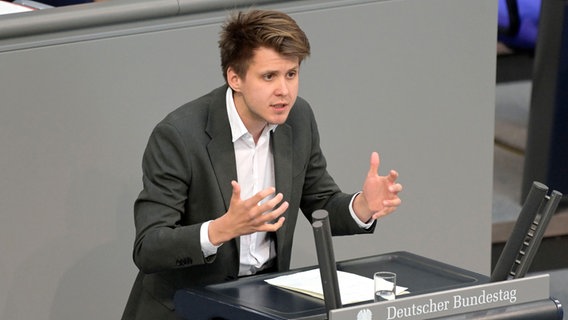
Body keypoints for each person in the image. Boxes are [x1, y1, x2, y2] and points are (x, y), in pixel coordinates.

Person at [121, 9, 402, 320]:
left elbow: (321, 203)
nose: (284, 90)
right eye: (269, 76)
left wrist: (363, 205)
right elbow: (149, 247)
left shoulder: (299, 119)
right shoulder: (179, 135)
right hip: (186, 309)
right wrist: (221, 229)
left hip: (260, 306)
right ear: (235, 78)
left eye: (291, 74)